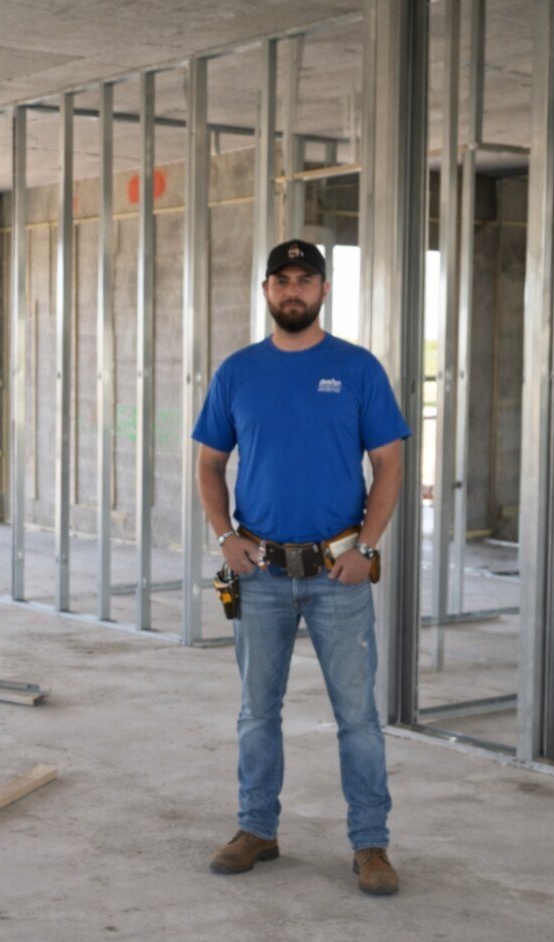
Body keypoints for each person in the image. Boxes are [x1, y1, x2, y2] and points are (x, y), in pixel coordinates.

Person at [192, 238, 409, 895]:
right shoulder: (237, 372)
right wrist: (225, 536)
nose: (293, 290)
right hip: (259, 574)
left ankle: (370, 845)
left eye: (304, 280)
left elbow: (391, 463)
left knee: (358, 718)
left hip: (338, 571)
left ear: (323, 290)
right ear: (265, 292)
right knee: (258, 712)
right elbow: (208, 463)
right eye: (281, 280)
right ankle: (257, 829)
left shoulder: (358, 369)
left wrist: (366, 548)